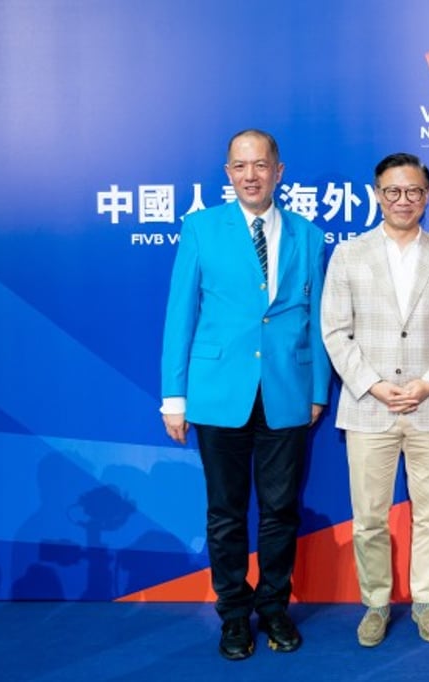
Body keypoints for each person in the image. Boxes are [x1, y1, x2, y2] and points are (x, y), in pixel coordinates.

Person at [160, 129, 329, 660]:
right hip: (217, 392)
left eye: (260, 165)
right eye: (240, 166)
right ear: (228, 173)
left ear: (279, 172)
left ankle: (274, 607)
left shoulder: (308, 235)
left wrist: (317, 389)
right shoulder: (201, 228)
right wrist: (174, 397)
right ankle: (233, 613)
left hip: (287, 390)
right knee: (226, 512)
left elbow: (317, 317)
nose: (250, 175)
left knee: (281, 510)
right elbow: (180, 315)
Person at [321, 153, 429, 647]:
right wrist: (372, 383)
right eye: (392, 191)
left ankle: (425, 601)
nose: (402, 200)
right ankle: (376, 603)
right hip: (369, 407)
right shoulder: (349, 254)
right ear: (377, 195)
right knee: (369, 517)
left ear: (427, 197)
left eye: (412, 191)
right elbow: (335, 331)